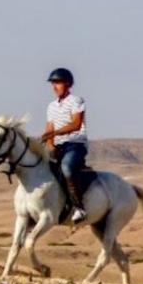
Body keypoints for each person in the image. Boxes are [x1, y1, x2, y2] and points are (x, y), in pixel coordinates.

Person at [39, 67, 88, 222]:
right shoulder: (51, 106)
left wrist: (54, 134)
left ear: (67, 83)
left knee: (66, 168)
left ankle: (79, 208)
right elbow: (49, 129)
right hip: (58, 146)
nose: (54, 86)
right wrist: (51, 146)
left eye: (58, 82)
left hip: (75, 145)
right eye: (53, 83)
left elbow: (76, 124)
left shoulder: (76, 101)